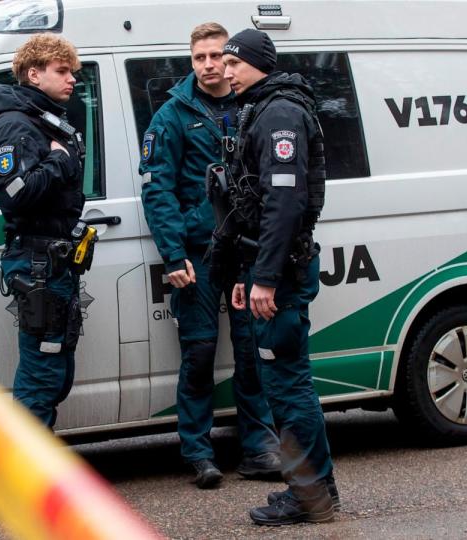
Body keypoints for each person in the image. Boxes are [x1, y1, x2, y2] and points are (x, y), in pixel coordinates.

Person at [139, 22, 281, 489]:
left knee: (251, 352)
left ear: (230, 58)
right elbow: (158, 190)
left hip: (245, 252)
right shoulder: (173, 115)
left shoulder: (252, 105)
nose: (207, 65)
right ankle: (199, 452)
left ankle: (260, 447)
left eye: (216, 55)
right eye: (198, 57)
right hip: (197, 256)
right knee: (198, 355)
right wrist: (173, 254)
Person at [211, 28, 340, 525]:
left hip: (281, 274)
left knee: (287, 385)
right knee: (290, 382)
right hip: (270, 269)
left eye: (233, 62)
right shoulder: (265, 108)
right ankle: (315, 490)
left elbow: (283, 204)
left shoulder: (280, 113)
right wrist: (250, 271)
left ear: (257, 64)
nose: (225, 70)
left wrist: (264, 277)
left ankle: (309, 497)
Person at [0, 33, 90, 428]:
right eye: (62, 71)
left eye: (72, 72)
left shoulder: (42, 118)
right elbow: (17, 192)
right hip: (37, 263)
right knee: (41, 375)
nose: (72, 80)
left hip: (54, 260)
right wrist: (60, 163)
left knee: (55, 371)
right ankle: (27, 479)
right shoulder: (14, 125)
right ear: (34, 74)